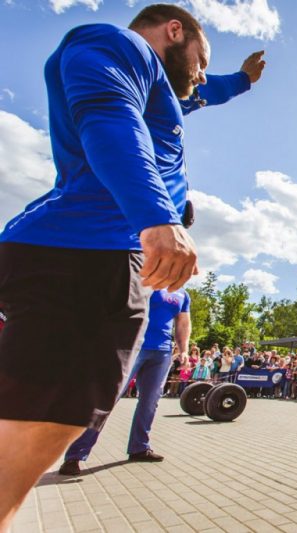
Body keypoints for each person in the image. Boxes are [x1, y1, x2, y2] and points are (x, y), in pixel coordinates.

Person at [0, 5, 214, 527]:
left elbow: (204, 93)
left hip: (80, 253)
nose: (204, 75)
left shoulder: (158, 89)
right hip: (85, 257)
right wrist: (157, 215)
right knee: (43, 420)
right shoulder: (119, 45)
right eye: (203, 61)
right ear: (174, 31)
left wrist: (245, 82)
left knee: (42, 417)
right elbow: (108, 111)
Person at [58, 289, 191, 476]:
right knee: (108, 399)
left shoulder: (183, 295)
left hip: (162, 352)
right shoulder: (147, 282)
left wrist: (184, 350)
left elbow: (183, 323)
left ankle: (139, 448)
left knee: (150, 402)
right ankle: (75, 456)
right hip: (133, 346)